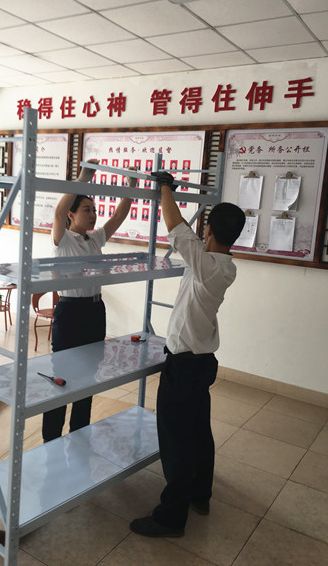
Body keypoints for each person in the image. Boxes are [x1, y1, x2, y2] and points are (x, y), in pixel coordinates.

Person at [130, 171, 245, 538]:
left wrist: (165, 187)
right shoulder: (221, 265)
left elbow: (176, 227)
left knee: (176, 440)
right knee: (197, 433)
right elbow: (184, 233)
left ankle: (171, 517)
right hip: (201, 364)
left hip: (185, 366)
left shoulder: (208, 265)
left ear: (208, 229)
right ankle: (200, 495)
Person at [42, 160, 137, 443]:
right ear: (72, 215)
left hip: (95, 310)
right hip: (70, 311)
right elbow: (58, 211)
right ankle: (51, 440)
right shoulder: (62, 239)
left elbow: (118, 216)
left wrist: (131, 188)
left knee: (89, 376)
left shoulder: (94, 240)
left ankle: (79, 435)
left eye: (94, 210)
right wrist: (84, 178)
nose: (93, 215)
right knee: (62, 376)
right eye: (87, 210)